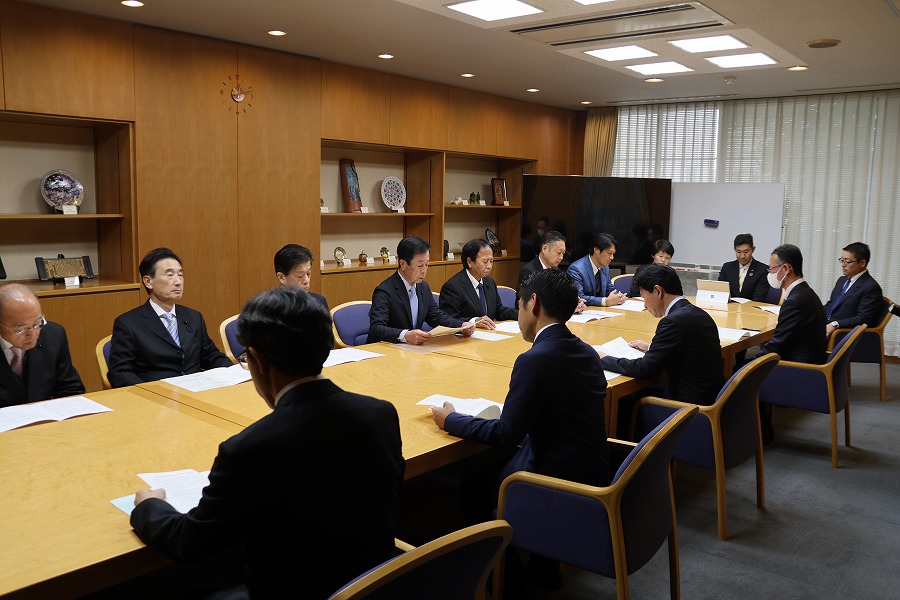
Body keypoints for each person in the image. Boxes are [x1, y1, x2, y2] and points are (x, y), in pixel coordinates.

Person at [130, 287, 405, 600]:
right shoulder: (381, 414)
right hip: (378, 584)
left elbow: (190, 543)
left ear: (258, 361)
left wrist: (149, 506)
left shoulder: (248, 449)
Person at [432, 268, 610, 591]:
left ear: (534, 303)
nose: (518, 316)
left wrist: (452, 420)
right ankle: (544, 569)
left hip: (551, 480)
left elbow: (507, 434)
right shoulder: (586, 351)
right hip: (591, 470)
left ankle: (510, 584)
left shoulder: (534, 360)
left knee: (472, 488)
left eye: (519, 306)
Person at [597, 264, 725, 407]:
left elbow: (644, 369)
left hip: (688, 408)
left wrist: (603, 359)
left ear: (658, 291)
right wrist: (652, 347)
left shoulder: (673, 322)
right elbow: (686, 348)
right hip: (711, 399)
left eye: (644, 297)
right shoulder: (698, 313)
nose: (645, 305)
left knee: (627, 403)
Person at [108, 248, 231, 387]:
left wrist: (235, 373)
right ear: (148, 281)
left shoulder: (194, 317)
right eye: (170, 275)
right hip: (157, 394)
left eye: (180, 275)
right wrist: (150, 392)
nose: (178, 282)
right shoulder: (128, 323)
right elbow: (120, 372)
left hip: (197, 390)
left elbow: (211, 356)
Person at [367, 237, 474, 345]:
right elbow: (376, 329)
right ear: (403, 264)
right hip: (385, 349)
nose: (424, 271)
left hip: (411, 349)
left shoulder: (423, 287)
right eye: (420, 265)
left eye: (427, 265)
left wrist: (461, 326)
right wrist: (406, 335)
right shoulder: (385, 291)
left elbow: (436, 317)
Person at [0, 284, 84, 407]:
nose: (33, 334)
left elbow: (70, 389)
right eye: (21, 329)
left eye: (37, 323)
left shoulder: (54, 335)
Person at [757, 244, 827, 364]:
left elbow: (777, 345)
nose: (770, 273)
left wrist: (748, 365)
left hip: (799, 367)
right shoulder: (806, 292)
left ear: (786, 268)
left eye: (772, 268)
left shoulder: (795, 302)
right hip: (809, 358)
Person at [439, 239, 518, 329]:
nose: (489, 266)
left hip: (489, 334)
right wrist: (474, 321)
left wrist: (522, 315)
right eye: (485, 262)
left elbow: (498, 310)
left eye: (491, 261)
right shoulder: (453, 287)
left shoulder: (489, 282)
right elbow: (449, 319)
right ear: (469, 262)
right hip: (466, 335)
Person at [823, 242, 884, 338]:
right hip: (825, 324)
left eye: (847, 262)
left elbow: (863, 318)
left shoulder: (871, 287)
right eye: (842, 260)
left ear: (862, 263)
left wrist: (835, 324)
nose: (843, 265)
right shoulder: (842, 280)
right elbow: (831, 304)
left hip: (841, 333)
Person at [567, 233, 627, 307]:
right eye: (609, 253)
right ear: (596, 250)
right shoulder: (576, 269)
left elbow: (610, 290)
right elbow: (579, 297)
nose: (612, 257)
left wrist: (619, 297)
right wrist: (605, 301)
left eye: (613, 254)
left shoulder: (605, 267)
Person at [718, 233, 771, 302]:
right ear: (734, 249)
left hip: (751, 307)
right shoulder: (727, 267)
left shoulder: (763, 270)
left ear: (753, 249)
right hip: (730, 307)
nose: (742, 256)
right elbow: (721, 293)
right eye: (739, 252)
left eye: (746, 252)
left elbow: (759, 299)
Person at [274, 243, 329, 310]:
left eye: (308, 274)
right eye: (300, 276)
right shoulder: (268, 308)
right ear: (281, 277)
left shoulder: (319, 302)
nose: (307, 281)